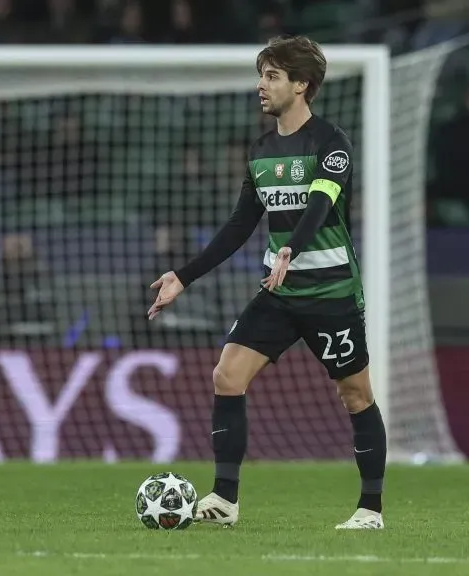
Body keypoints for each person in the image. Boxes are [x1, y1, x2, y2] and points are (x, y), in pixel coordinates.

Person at [147, 35, 385, 530]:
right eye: (262, 75)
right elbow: (240, 225)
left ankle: (370, 509)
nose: (261, 85)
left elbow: (319, 207)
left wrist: (289, 249)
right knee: (226, 376)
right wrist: (184, 276)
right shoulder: (260, 151)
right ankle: (225, 500)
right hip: (279, 293)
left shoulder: (330, 142)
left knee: (356, 395)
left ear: (302, 85)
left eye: (272, 76)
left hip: (331, 294)